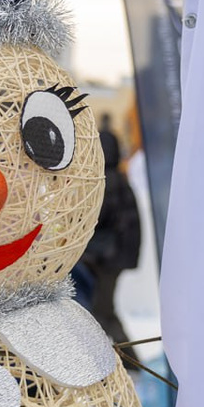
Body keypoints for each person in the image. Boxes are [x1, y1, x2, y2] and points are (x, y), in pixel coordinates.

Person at [78, 124, 141, 355]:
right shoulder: (119, 180)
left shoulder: (108, 182)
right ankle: (125, 358)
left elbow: (97, 219)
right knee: (104, 309)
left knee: (102, 311)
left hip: (107, 258)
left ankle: (128, 359)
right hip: (112, 257)